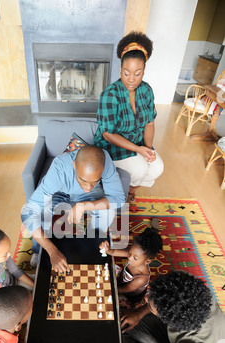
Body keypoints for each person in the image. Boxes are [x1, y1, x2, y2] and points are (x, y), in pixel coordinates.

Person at [21, 145, 127, 273]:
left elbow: (119, 199)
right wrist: (52, 251)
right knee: (42, 212)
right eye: (83, 180)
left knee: (108, 212)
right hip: (59, 193)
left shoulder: (105, 161)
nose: (88, 187)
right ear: (74, 165)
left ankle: (94, 246)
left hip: (87, 198)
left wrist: (84, 205)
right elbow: (28, 212)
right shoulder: (59, 168)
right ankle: (39, 250)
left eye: (94, 181)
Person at [93, 31, 164, 203]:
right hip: (113, 146)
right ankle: (123, 194)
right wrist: (138, 150)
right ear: (121, 69)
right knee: (139, 168)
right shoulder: (109, 94)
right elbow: (107, 134)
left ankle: (130, 190)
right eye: (126, 73)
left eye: (137, 73)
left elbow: (149, 123)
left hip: (138, 143)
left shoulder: (146, 90)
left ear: (144, 71)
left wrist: (148, 149)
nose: (131, 79)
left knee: (157, 167)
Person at [99, 226, 162, 305]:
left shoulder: (141, 278)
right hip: (122, 281)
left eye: (135, 258)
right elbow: (113, 252)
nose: (129, 258)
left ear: (148, 261)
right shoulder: (134, 254)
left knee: (109, 302)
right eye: (129, 252)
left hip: (128, 296)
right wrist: (107, 249)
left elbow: (123, 289)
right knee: (106, 266)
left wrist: (106, 287)